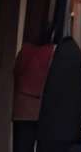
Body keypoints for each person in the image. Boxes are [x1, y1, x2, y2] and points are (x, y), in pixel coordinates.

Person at [36, 32, 81, 152]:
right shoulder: (79, 76)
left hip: (51, 136)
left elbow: (46, 104)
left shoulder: (54, 73)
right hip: (73, 137)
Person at [15, 21, 58, 152]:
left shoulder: (25, 50)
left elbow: (17, 71)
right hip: (42, 107)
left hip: (22, 108)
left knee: (22, 144)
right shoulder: (52, 52)